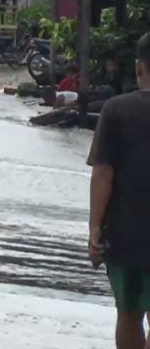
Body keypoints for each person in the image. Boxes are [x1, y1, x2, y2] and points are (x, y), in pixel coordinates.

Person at [88, 32, 150, 349]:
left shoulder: (116, 110)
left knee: (128, 314)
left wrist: (94, 229)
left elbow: (103, 174)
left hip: (125, 234)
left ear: (139, 68)